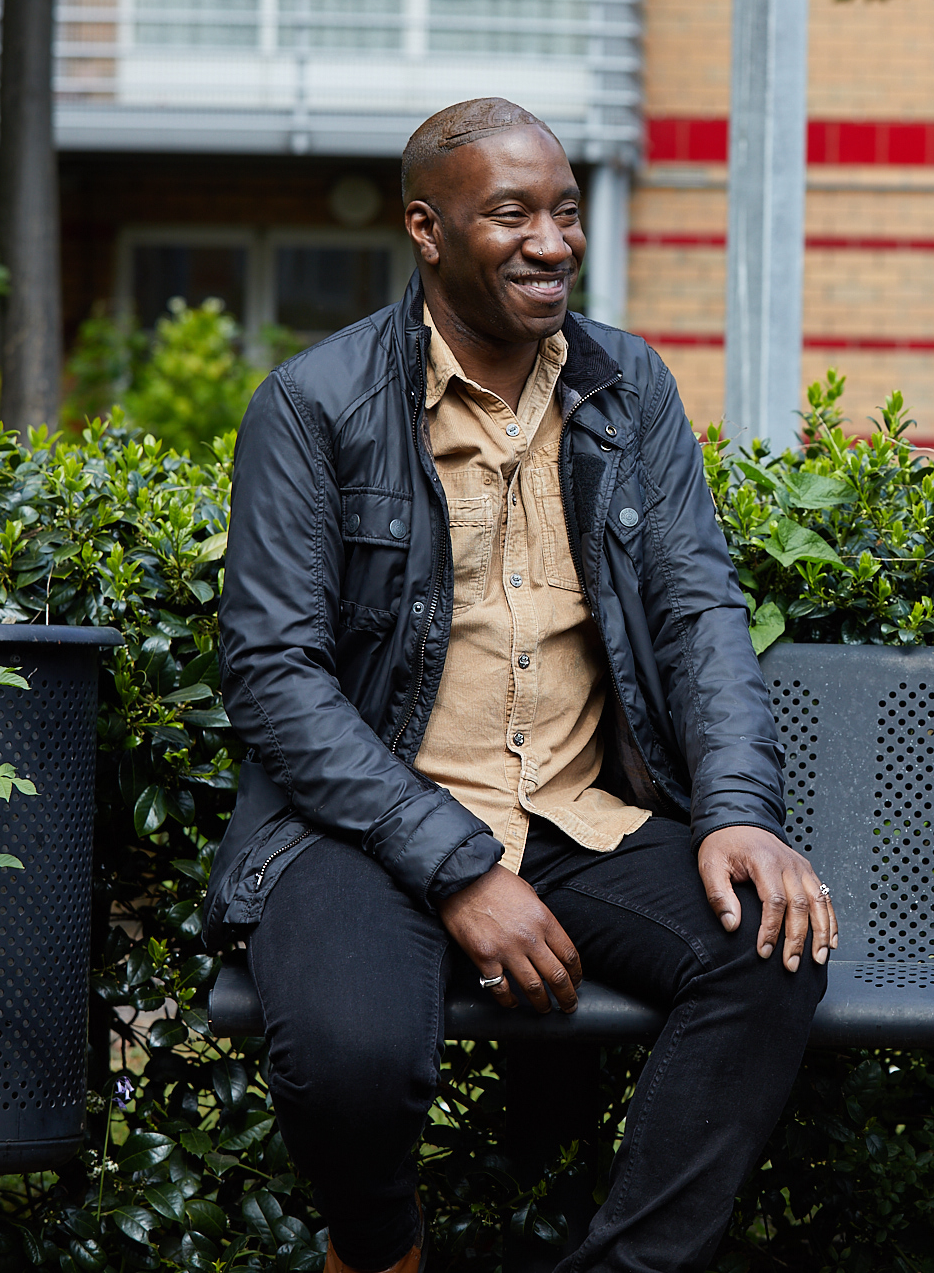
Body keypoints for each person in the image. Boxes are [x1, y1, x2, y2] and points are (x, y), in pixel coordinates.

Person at [206, 97, 835, 1273]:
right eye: (510, 214)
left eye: (565, 211)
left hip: (571, 814)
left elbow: (700, 613)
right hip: (369, 826)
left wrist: (740, 810)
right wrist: (455, 867)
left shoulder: (626, 386)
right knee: (350, 1058)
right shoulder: (314, 404)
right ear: (426, 231)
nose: (552, 241)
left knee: (767, 949)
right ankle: (380, 1248)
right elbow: (274, 673)